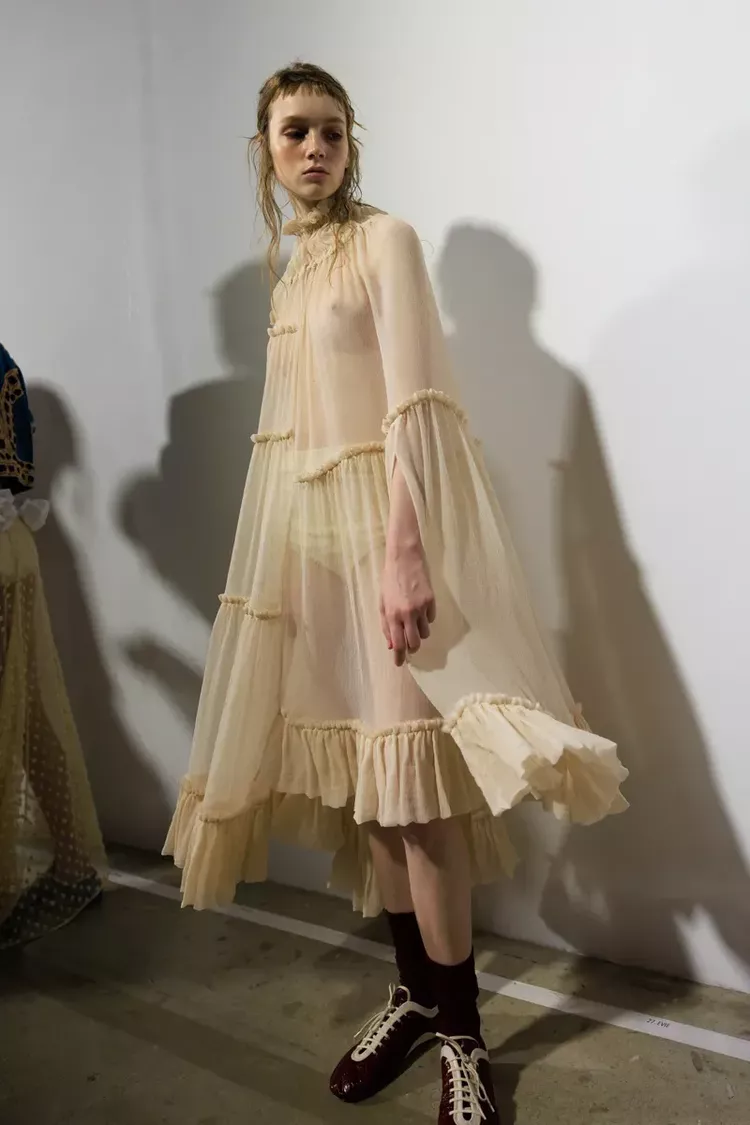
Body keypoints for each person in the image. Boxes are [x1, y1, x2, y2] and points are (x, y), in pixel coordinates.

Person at [165, 63, 628, 1123]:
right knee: (370, 790)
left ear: (351, 143)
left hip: (389, 554)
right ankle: (414, 997)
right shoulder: (295, 272)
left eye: (331, 131)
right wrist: (294, 565)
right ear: (264, 149)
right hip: (319, 563)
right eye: (295, 132)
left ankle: (461, 1034)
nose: (315, 149)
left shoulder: (388, 242)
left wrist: (407, 556)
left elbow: (420, 409)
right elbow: (296, 444)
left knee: (419, 800)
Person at [0, 343, 105, 949]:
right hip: (11, 544)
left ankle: (66, 868)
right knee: (28, 711)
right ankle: (72, 864)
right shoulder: (3, 361)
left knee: (20, 715)